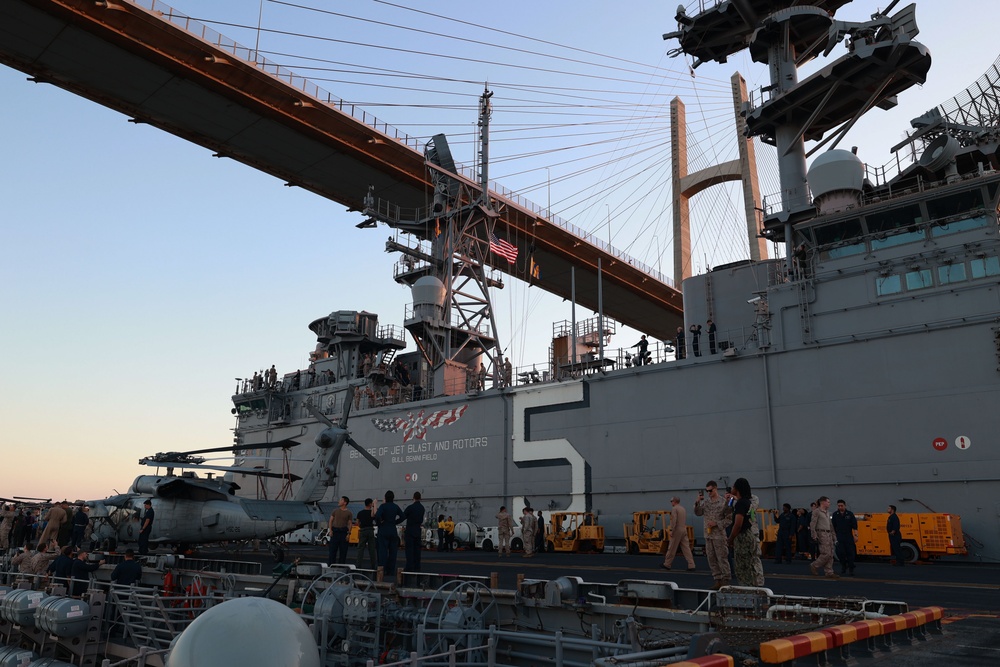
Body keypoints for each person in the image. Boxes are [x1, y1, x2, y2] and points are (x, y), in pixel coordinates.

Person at [726, 478, 764, 586]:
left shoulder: (745, 501)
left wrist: (730, 538)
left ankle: (751, 587)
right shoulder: (743, 502)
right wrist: (730, 500)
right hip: (747, 533)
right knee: (750, 562)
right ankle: (755, 585)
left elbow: (738, 524)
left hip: (746, 534)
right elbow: (727, 509)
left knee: (745, 564)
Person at [694, 480, 730, 589]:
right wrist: (697, 502)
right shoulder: (706, 502)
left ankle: (726, 581)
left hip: (719, 535)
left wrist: (716, 523)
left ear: (715, 488)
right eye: (707, 491)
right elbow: (698, 513)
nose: (708, 493)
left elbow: (729, 519)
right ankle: (717, 580)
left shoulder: (724, 502)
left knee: (722, 558)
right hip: (708, 536)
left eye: (710, 490)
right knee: (711, 559)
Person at [661, 496, 695, 571]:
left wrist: (671, 530)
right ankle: (691, 564)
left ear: (674, 501)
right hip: (684, 529)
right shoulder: (683, 509)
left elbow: (674, 520)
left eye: (671, 501)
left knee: (672, 547)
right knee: (686, 548)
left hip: (677, 529)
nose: (671, 503)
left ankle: (667, 564)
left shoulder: (674, 509)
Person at [375, 490, 404, 576]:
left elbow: (377, 516)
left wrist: (380, 524)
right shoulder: (396, 507)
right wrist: (395, 522)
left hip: (384, 529)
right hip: (392, 529)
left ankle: (382, 569)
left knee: (383, 551)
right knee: (393, 552)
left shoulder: (383, 506)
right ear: (393, 498)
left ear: (385, 498)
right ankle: (391, 571)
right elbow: (403, 516)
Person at [809, 496, 837, 578]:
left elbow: (830, 525)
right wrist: (814, 535)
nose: (829, 503)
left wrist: (834, 536)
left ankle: (829, 572)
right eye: (828, 502)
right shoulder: (816, 512)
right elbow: (812, 524)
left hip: (829, 534)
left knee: (831, 553)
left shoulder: (827, 512)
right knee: (825, 553)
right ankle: (814, 565)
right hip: (821, 534)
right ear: (823, 502)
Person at [831, 499, 858, 575]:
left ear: (845, 505)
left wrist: (856, 536)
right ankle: (844, 565)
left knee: (850, 553)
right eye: (839, 506)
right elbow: (833, 527)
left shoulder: (849, 514)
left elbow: (855, 526)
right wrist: (833, 537)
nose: (840, 507)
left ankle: (851, 568)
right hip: (839, 536)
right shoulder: (835, 514)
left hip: (848, 536)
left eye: (841, 506)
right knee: (840, 553)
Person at [402, 492, 425, 571]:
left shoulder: (410, 507)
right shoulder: (422, 508)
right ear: (420, 498)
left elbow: (403, 516)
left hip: (410, 530)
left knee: (409, 550)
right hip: (417, 531)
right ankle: (417, 567)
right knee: (417, 550)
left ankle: (409, 567)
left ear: (413, 497)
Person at [327, 496, 354, 565]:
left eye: (341, 500)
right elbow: (330, 521)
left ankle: (341, 566)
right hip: (335, 531)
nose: (339, 501)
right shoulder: (335, 511)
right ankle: (331, 565)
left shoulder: (349, 513)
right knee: (332, 550)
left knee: (343, 551)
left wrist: (349, 534)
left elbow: (350, 524)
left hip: (343, 532)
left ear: (345, 503)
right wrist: (330, 530)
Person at [355, 498, 378, 569]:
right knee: (372, 549)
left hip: (362, 530)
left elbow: (357, 523)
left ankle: (358, 565)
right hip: (370, 530)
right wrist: (375, 506)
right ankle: (373, 565)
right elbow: (375, 515)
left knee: (360, 548)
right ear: (370, 504)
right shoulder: (371, 512)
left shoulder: (360, 513)